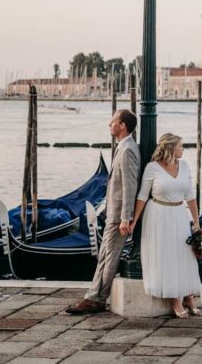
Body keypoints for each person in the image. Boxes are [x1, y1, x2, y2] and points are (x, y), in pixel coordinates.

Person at [66, 109, 140, 314]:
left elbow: (129, 186)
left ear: (122, 125)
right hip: (114, 213)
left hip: (119, 216)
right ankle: (93, 297)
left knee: (109, 257)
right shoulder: (123, 147)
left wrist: (126, 217)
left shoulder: (128, 150)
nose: (109, 124)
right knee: (104, 256)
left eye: (113, 121)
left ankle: (96, 299)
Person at [128, 132, 202, 318]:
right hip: (158, 214)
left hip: (179, 213)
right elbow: (142, 196)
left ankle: (189, 296)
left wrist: (196, 221)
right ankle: (174, 299)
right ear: (170, 148)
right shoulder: (152, 168)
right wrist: (134, 220)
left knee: (185, 255)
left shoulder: (184, 166)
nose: (182, 149)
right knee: (166, 255)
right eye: (180, 146)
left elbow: (190, 196)